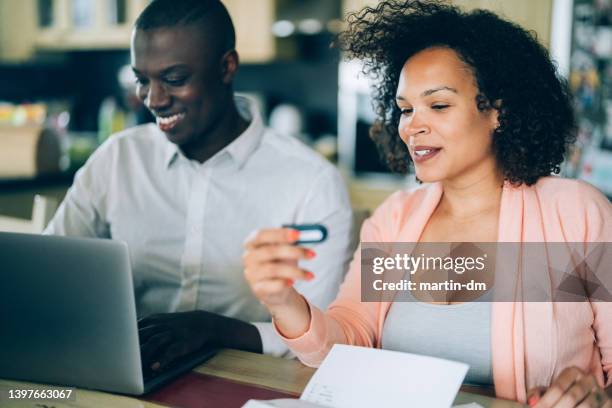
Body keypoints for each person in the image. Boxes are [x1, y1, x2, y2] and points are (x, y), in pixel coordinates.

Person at [243, 1, 612, 407]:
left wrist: (598, 398)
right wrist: (284, 302)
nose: (413, 126)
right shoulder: (395, 219)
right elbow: (348, 342)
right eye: (405, 109)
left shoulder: (576, 214)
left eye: (438, 105)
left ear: (498, 113)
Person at [45, 0, 353, 376]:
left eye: (174, 79)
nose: (154, 100)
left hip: (249, 382)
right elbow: (48, 276)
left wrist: (215, 329)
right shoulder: (117, 159)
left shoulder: (311, 182)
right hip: (126, 374)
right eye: (142, 80)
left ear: (227, 67)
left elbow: (322, 334)